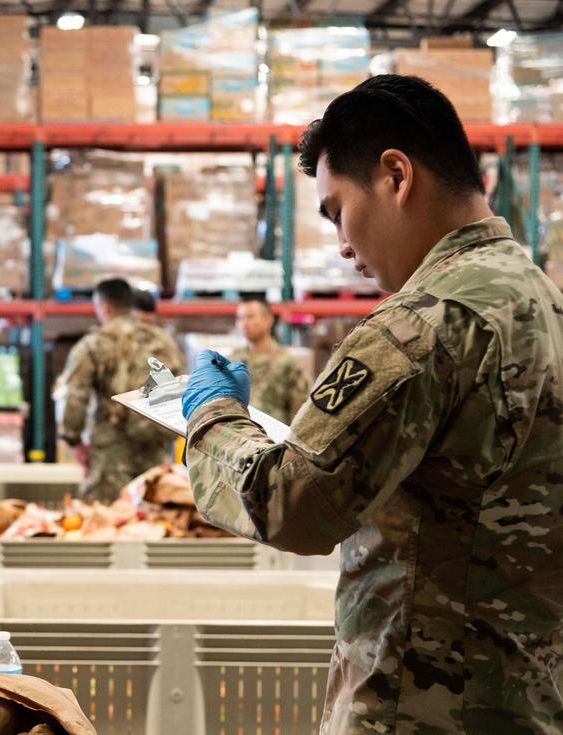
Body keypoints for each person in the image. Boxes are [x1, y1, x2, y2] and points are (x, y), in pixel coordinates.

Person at [181, 75, 563, 733]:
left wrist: (211, 414)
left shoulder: (420, 325)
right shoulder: (548, 306)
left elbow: (292, 503)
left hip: (415, 709)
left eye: (336, 209)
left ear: (395, 175)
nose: (343, 245)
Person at [55, 278, 185, 502]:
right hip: (155, 452)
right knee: (155, 522)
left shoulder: (93, 344)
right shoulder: (163, 342)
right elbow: (181, 391)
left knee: (105, 522)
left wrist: (74, 441)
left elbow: (74, 397)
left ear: (104, 307)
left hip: (111, 455)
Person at [229, 298, 311, 424]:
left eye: (250, 317)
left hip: (272, 437)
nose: (244, 323)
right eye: (240, 318)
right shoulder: (233, 361)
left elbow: (301, 412)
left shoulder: (286, 362)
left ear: (268, 319)